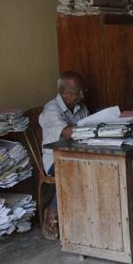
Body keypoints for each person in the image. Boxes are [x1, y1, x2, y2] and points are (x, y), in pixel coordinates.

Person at [39, 71, 89, 239]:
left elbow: (90, 122)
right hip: (54, 160)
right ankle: (52, 211)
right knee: (72, 170)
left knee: (94, 168)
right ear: (62, 92)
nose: (81, 95)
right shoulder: (51, 109)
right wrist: (92, 129)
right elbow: (66, 132)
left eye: (82, 91)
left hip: (78, 156)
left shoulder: (80, 107)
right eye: (77, 92)